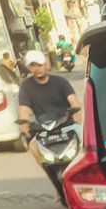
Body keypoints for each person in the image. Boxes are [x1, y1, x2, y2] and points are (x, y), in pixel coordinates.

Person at [17, 50, 79, 197]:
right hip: (44, 129)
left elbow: (74, 101)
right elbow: (23, 110)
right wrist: (24, 127)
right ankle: (55, 182)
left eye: (38, 65)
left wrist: (77, 116)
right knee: (33, 147)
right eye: (32, 66)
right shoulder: (26, 87)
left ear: (46, 65)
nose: (36, 69)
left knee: (84, 143)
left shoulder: (61, 82)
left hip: (67, 125)